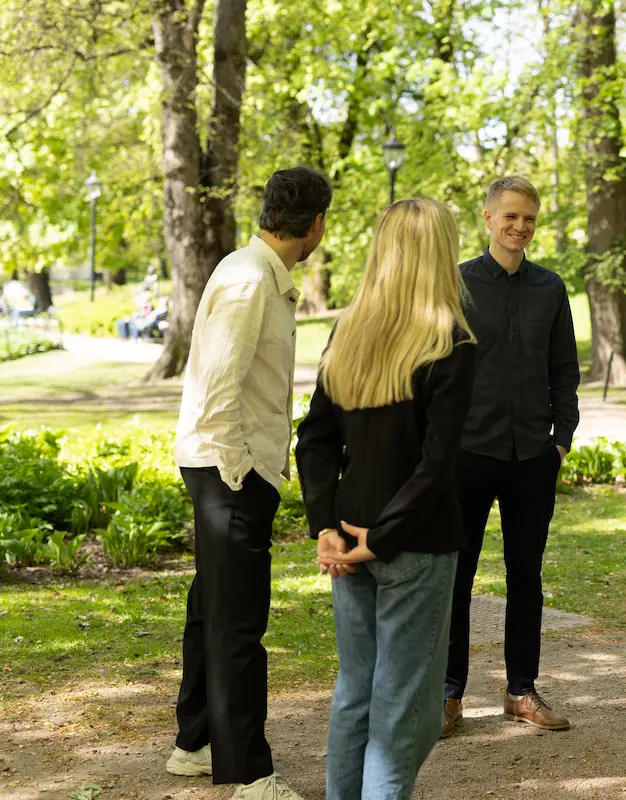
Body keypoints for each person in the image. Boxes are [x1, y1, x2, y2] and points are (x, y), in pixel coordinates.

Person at [296, 198, 477, 799]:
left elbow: (315, 440)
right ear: (440, 253)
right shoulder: (450, 339)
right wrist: (369, 536)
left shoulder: (348, 331)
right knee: (398, 713)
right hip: (409, 544)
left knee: (360, 695)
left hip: (355, 538)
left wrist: (332, 526)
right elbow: (436, 462)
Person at [168, 166, 332, 799]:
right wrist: (241, 475)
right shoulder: (248, 279)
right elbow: (218, 388)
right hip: (227, 468)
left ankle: (195, 742)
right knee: (239, 622)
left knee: (214, 606)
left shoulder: (254, 271)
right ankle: (248, 775)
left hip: (224, 466)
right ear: (316, 224)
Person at [442, 176, 580, 736]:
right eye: (510, 217)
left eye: (528, 219)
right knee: (457, 575)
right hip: (469, 453)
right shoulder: (455, 285)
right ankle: (448, 693)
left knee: (527, 576)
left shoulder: (551, 288)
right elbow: (437, 366)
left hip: (532, 455)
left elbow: (564, 370)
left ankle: (521, 691)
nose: (519, 227)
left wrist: (561, 436)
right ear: (488, 218)